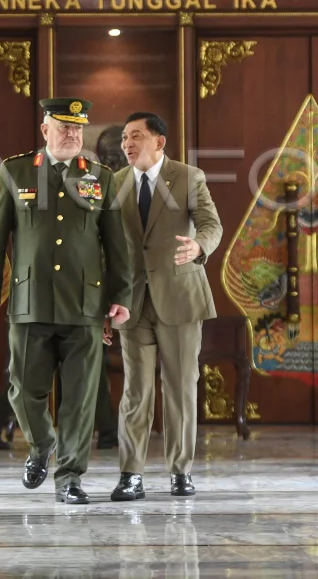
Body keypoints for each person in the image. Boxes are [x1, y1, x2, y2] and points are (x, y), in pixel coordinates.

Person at [0, 97, 133, 505]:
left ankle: (69, 479)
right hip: (31, 299)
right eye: (63, 127)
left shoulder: (100, 177)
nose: (71, 134)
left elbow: (116, 244)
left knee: (80, 400)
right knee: (23, 389)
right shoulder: (16, 171)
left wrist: (120, 296)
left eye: (77, 128)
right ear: (45, 130)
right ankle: (43, 442)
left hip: (85, 303)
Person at [108, 112, 222, 501]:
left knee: (180, 387)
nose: (127, 143)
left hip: (180, 297)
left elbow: (211, 224)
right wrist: (107, 300)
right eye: (124, 138)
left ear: (159, 141)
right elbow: (106, 245)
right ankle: (131, 475)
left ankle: (180, 471)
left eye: (135, 136)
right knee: (135, 391)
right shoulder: (115, 183)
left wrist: (199, 246)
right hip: (131, 303)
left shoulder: (188, 177)